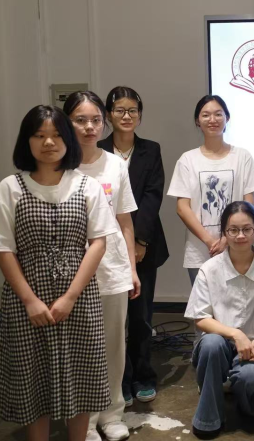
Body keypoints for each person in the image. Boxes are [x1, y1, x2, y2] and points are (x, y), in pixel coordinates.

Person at [0, 105, 117, 441]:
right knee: (31, 378)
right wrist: (30, 301)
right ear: (27, 141)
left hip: (79, 298)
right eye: (39, 135)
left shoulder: (87, 185)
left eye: (55, 135)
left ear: (68, 140)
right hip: (26, 301)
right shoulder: (10, 187)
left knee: (82, 376)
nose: (48, 142)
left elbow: (97, 244)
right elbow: (4, 249)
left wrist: (70, 297)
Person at [64, 91, 141, 441]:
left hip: (112, 267)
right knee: (81, 348)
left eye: (95, 120)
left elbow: (124, 220)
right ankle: (85, 420)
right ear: (67, 123)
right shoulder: (60, 166)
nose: (89, 127)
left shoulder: (115, 164)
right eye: (80, 120)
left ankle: (112, 415)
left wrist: (131, 268)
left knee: (113, 344)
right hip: (71, 271)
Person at [99, 86, 169, 406]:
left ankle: (143, 375)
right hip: (105, 246)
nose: (126, 116)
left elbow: (153, 196)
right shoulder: (97, 150)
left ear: (139, 115)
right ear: (108, 114)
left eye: (132, 110)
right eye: (119, 110)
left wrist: (139, 241)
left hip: (145, 243)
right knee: (114, 319)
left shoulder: (150, 150)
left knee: (141, 316)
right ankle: (119, 380)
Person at [185, 201, 254, 439]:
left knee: (250, 377)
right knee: (211, 344)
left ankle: (247, 405)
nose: (240, 236)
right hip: (219, 345)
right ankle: (209, 418)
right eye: (233, 230)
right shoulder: (209, 269)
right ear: (224, 233)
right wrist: (235, 334)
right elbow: (201, 318)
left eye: (247, 229)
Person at [167, 95, 254, 284]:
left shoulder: (242, 157)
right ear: (197, 121)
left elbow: (249, 204)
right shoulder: (187, 160)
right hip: (200, 251)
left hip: (238, 245)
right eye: (206, 115)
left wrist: (227, 238)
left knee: (240, 300)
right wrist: (210, 242)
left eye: (218, 114)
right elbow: (182, 208)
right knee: (203, 301)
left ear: (227, 118)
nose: (212, 119)